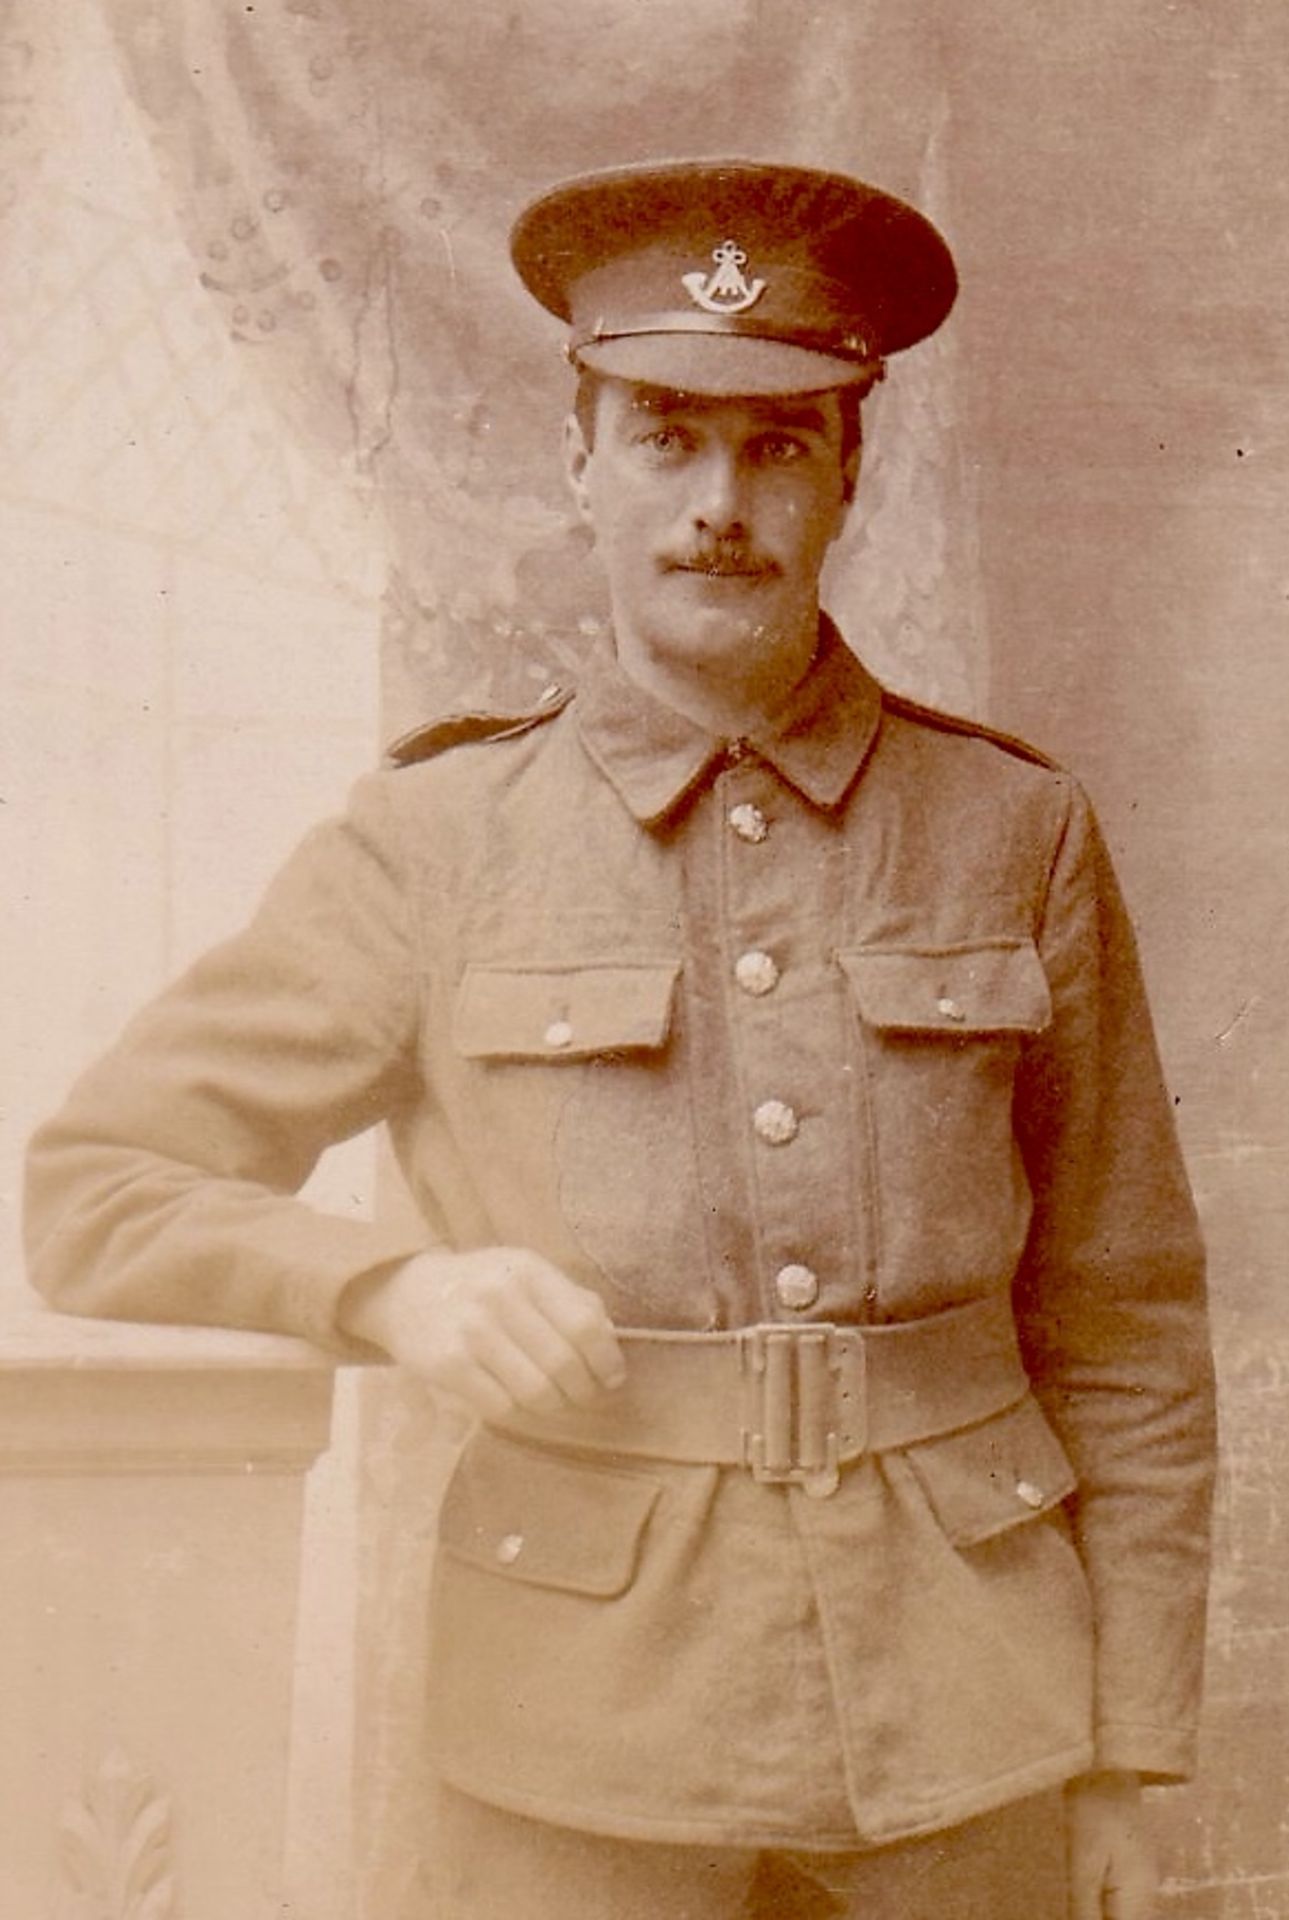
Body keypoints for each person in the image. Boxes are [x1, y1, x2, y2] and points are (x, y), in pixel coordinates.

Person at [25, 159, 1216, 1918]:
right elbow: (95, 1189)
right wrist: (386, 1290)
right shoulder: (438, 842)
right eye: (665, 438)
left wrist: (1134, 1755)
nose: (718, 504)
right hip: (576, 1731)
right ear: (578, 467)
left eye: (778, 446)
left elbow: (1126, 1322)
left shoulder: (1011, 830)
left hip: (973, 1713)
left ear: (847, 479)